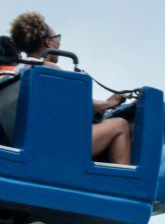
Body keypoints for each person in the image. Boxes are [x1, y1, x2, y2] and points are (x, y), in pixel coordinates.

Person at [9, 11, 132, 165]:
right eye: (57, 38)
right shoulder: (48, 69)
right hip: (54, 147)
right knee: (120, 125)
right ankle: (122, 188)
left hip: (30, 139)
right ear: (48, 42)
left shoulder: (17, 69)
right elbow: (82, 105)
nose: (59, 42)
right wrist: (110, 102)